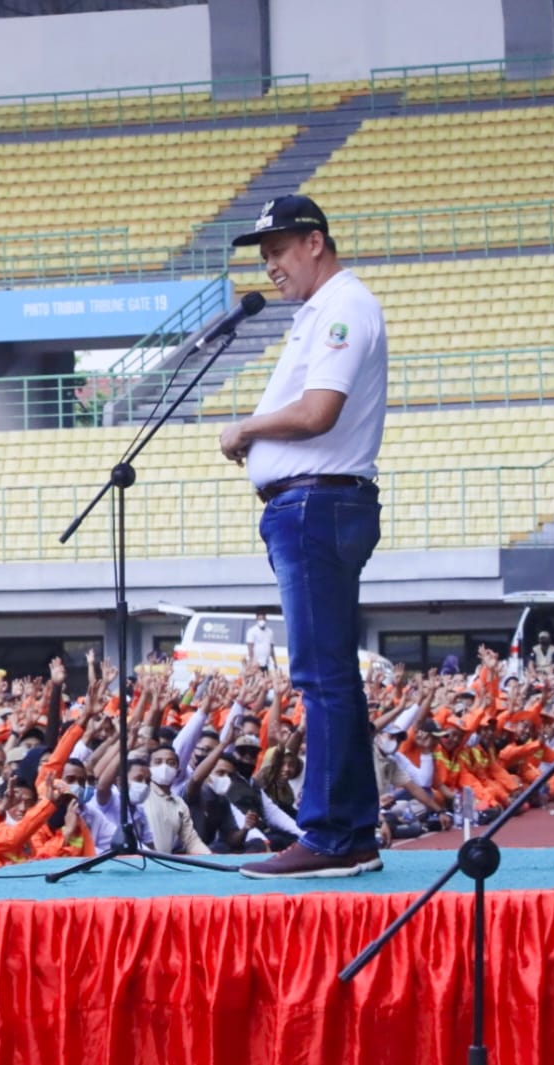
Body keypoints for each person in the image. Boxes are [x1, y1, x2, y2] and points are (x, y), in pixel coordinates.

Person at [220, 194, 388, 879]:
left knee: (323, 676)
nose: (272, 268)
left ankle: (331, 833)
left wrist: (247, 428)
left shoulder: (344, 306)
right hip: (312, 504)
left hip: (319, 503)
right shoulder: (323, 311)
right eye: (265, 256)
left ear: (315, 241)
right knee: (327, 673)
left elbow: (319, 412)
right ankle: (350, 829)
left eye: (280, 251)